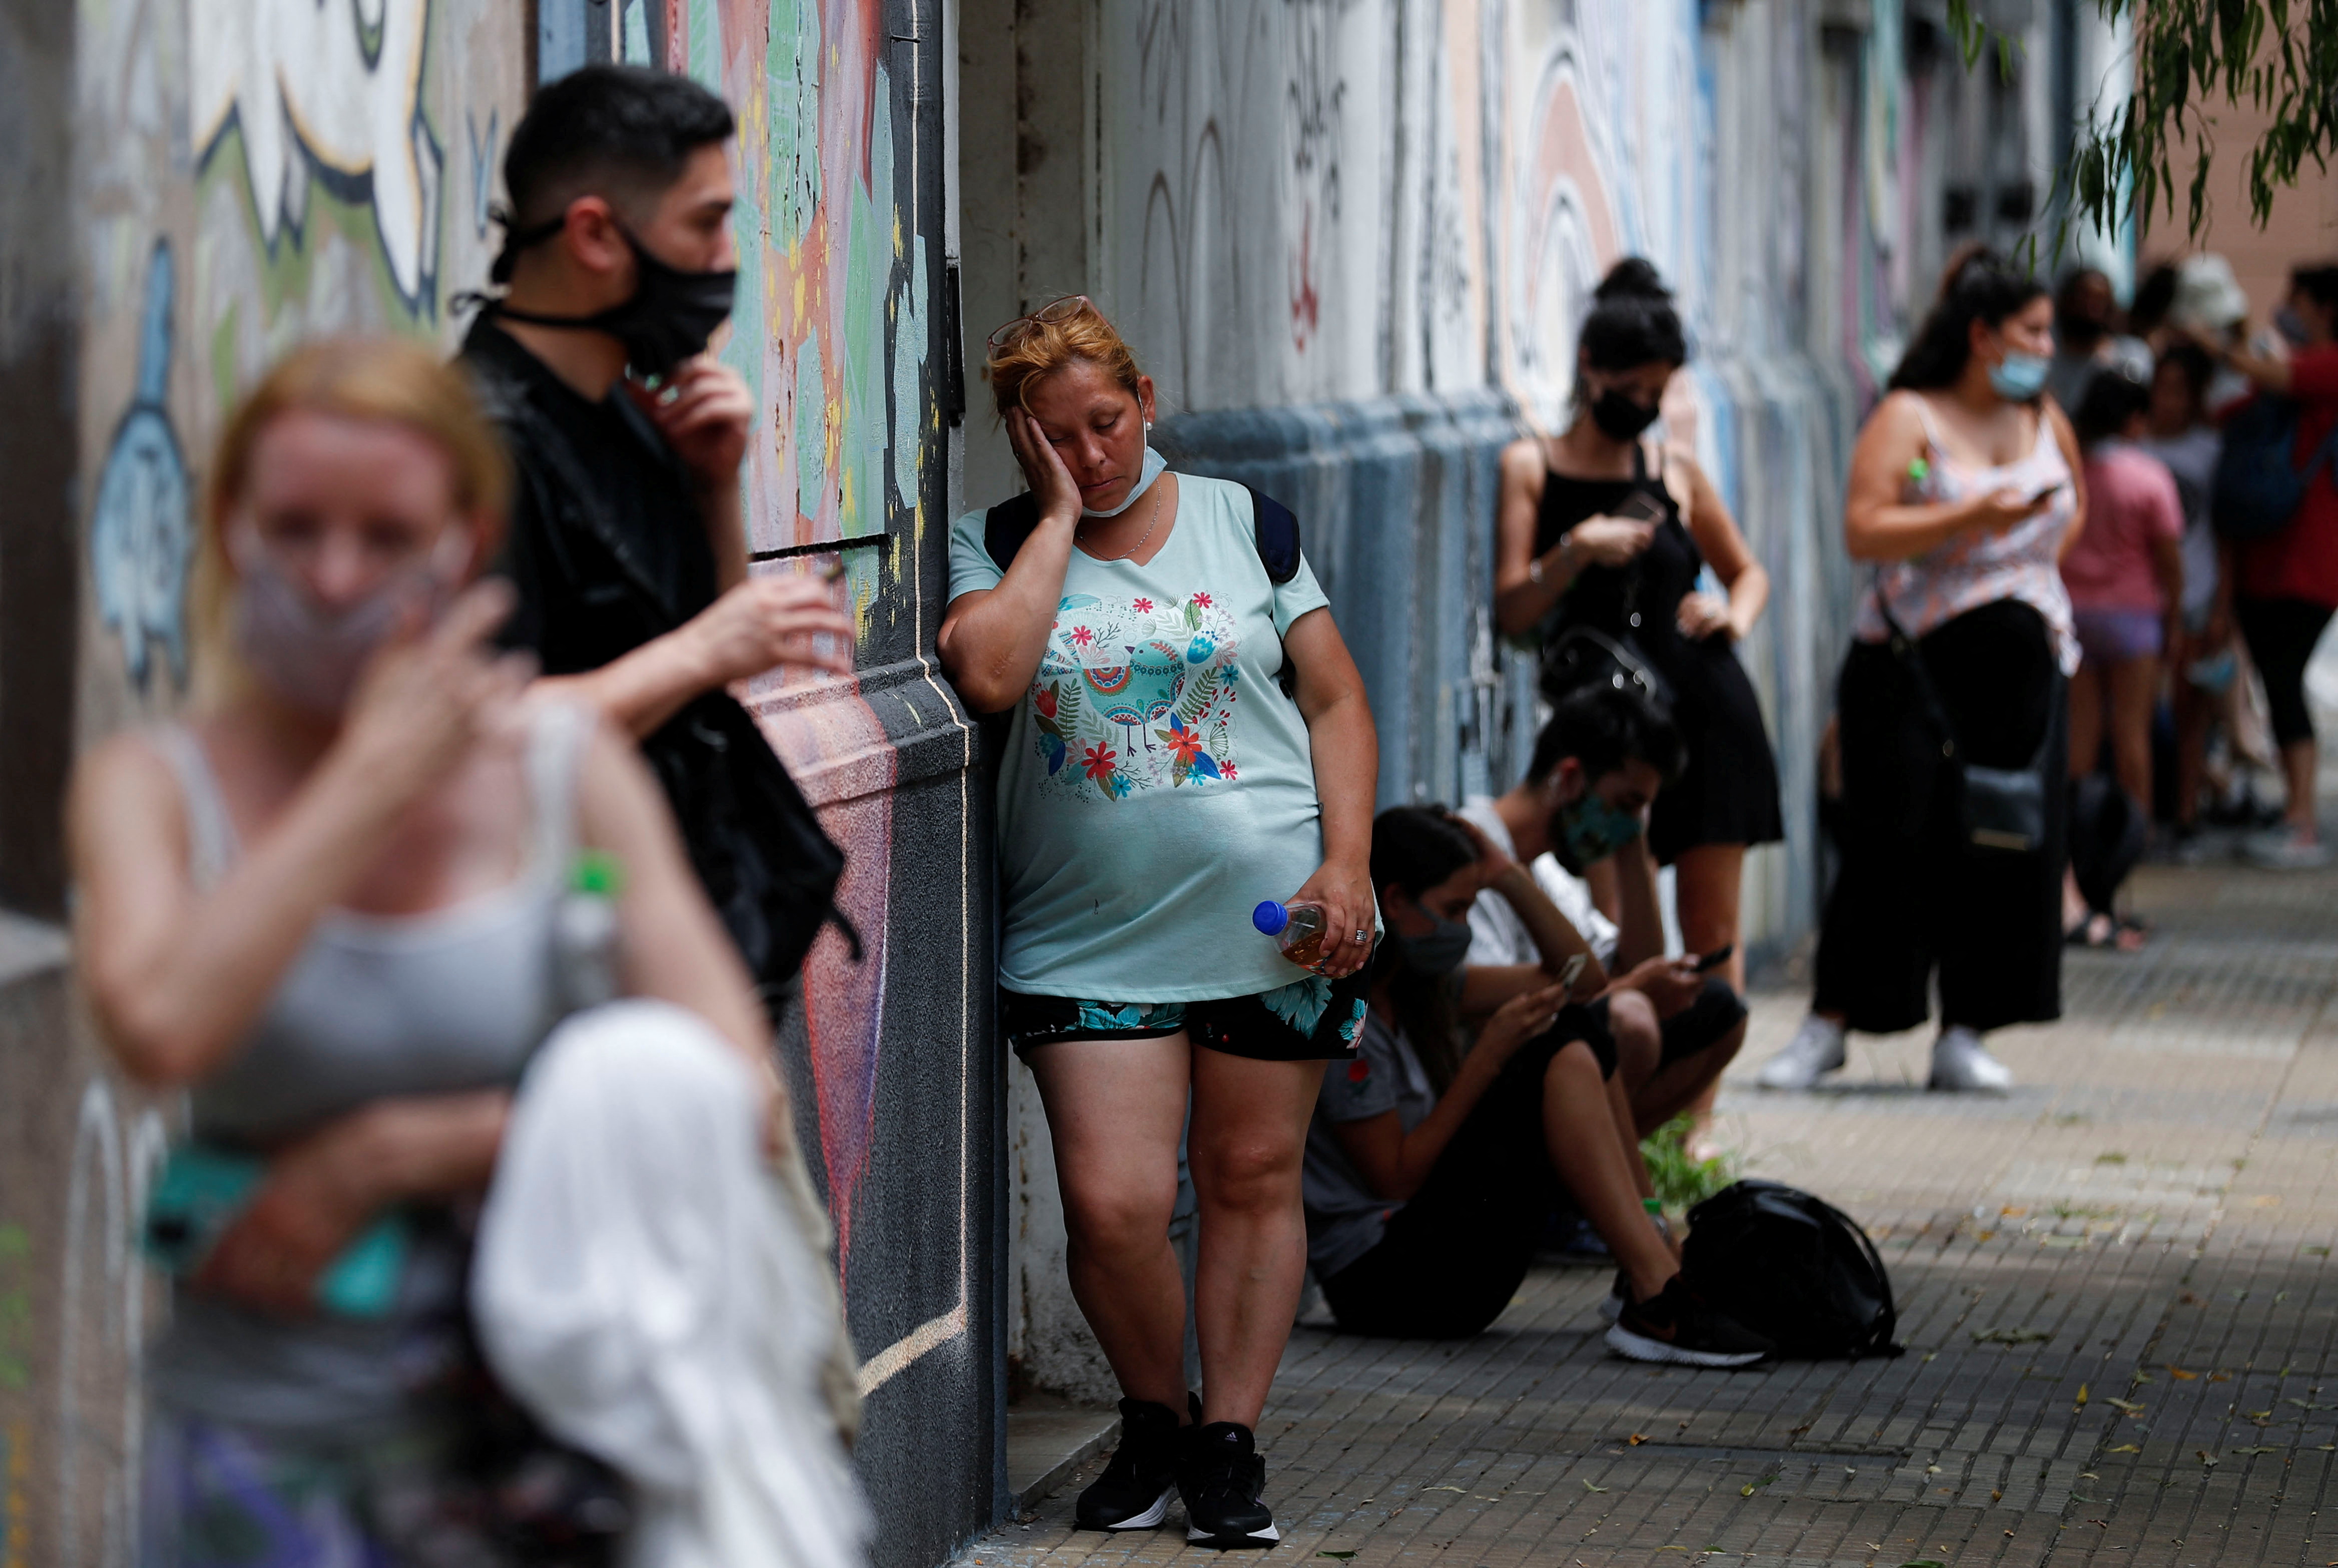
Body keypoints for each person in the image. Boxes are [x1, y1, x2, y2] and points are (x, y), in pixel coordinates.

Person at [67, 340, 856, 1564]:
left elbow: (737, 1095)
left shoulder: (561, 772)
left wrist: (394, 1151)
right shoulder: (153, 785)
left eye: (387, 535)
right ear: (229, 531)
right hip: (261, 1458)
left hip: (545, 1456)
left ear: (465, 539)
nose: (336, 576)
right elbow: (158, 1025)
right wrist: (365, 784)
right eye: (295, 529)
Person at [939, 297, 1380, 1548]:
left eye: (1108, 421)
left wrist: (1349, 864)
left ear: (1146, 400)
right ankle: (1156, 1418)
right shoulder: (993, 544)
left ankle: (1226, 1443)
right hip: (1087, 938)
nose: (1094, 453)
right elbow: (990, 674)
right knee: (1116, 1205)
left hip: (1273, 925)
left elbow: (1335, 702)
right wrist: (1057, 521)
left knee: (1250, 1178)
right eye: (1059, 435)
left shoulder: (1248, 524)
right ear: (1022, 439)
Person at [456, 65, 857, 995]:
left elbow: (714, 666)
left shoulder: (632, 411)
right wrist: (701, 648)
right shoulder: (474, 446)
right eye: (704, 222)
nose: (725, 257)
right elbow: (478, 739)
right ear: (595, 234)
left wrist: (715, 486)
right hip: (559, 962)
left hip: (681, 933)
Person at [1757, 247, 2085, 1095]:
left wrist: (2024, 574)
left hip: (2021, 676)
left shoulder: (2044, 416)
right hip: (1912, 667)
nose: (2045, 348)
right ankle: (1833, 1022)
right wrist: (1971, 516)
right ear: (1981, 336)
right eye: (2031, 331)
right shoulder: (1909, 416)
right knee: (1889, 841)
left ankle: (1968, 1028)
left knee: (2003, 842)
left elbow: (2073, 511)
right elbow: (1864, 528)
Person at [1303, 806, 1773, 1368]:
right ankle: (1653, 1291)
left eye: (1471, 908)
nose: (1464, 929)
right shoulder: (1348, 1019)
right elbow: (1395, 1178)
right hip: (1384, 1282)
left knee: (1577, 1025)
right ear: (1397, 902)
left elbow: (1583, 982)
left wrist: (1507, 875)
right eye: (1454, 910)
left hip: (1436, 1256)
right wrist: (1489, 1055)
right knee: (1554, 1045)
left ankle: (1653, 1265)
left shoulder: (1425, 992)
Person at [1493, 257, 1782, 1139]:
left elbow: (1747, 572)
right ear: (1590, 367)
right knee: (1614, 923)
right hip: (1608, 737)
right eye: (1632, 388)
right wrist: (1575, 552)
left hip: (1709, 713)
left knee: (1710, 925)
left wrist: (1730, 613)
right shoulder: (1530, 467)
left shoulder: (1673, 469)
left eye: (1659, 391)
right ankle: (1619, 1115)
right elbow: (1511, 614)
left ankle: (1694, 1127)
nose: (1645, 405)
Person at [1458, 689, 1749, 1133]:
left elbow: (1633, 964)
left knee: (1720, 1010)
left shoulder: (1546, 872)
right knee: (1630, 1021)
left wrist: (1633, 848)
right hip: (1486, 1078)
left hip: (1549, 1058)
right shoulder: (1471, 853)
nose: (1629, 824)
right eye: (1626, 805)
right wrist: (1629, 986)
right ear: (1570, 778)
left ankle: (1602, 1160)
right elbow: (1495, 1012)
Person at [2202, 263, 2338, 868]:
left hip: (2307, 562)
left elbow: (2272, 376)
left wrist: (2215, 346)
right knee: (2274, 683)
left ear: (2325, 308)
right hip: (2264, 555)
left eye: (2297, 299)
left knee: (2284, 683)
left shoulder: (2324, 366)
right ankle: (2287, 811)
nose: (2286, 307)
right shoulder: (2298, 364)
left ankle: (2301, 820)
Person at [2136, 343, 2230, 852]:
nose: (2167, 400)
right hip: (2141, 600)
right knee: (2142, 714)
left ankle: (2187, 812)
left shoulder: (2210, 450)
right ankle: (2149, 812)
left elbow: (2225, 535)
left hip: (2196, 594)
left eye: (2179, 390)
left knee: (2191, 710)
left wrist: (2222, 608)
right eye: (2161, 388)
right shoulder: (2134, 445)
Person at [2046, 267, 2151, 410]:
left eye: (2099, 301)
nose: (2090, 310)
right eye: (2083, 299)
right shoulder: (2046, 360)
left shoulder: (2131, 356)